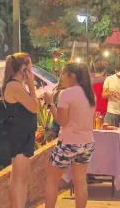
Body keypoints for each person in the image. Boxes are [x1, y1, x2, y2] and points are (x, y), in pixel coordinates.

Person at [43, 62, 96, 208]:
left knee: (52, 180)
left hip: (69, 142)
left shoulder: (66, 94)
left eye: (63, 74)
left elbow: (62, 121)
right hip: (87, 142)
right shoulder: (90, 94)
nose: (61, 78)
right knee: (80, 181)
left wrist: (50, 104)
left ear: (72, 76)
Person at [3, 53, 38, 208]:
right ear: (23, 68)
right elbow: (35, 107)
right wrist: (31, 85)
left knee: (18, 176)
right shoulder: (15, 86)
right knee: (21, 177)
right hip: (19, 137)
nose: (32, 69)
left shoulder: (15, 85)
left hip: (22, 135)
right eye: (30, 66)